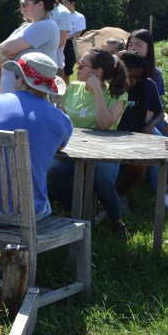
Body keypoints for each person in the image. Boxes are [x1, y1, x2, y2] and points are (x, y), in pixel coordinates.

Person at [0, 52, 73, 220]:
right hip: (23, 215)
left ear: (20, 79)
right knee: (43, 201)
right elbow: (59, 146)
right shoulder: (60, 119)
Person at [47, 48, 130, 236]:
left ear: (97, 71)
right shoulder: (73, 88)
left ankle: (116, 221)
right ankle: (73, 213)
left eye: (82, 64)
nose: (76, 67)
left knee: (102, 181)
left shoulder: (117, 94)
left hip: (104, 152)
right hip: (72, 150)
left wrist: (98, 92)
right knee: (52, 173)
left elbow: (105, 124)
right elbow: (62, 119)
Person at [127, 28, 168, 202]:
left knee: (167, 130)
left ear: (149, 48)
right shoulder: (122, 70)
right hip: (133, 118)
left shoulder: (155, 74)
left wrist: (163, 116)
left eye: (138, 45)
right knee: (158, 138)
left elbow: (157, 106)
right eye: (130, 44)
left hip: (150, 116)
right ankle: (159, 189)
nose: (133, 48)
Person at [115, 49, 165, 199]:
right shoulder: (111, 85)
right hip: (112, 134)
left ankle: (121, 194)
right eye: (130, 77)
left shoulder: (148, 85)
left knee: (140, 165)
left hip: (137, 134)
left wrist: (150, 125)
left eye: (138, 78)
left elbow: (160, 112)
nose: (134, 82)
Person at [0, 0, 60, 93]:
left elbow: (5, 49)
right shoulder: (25, 26)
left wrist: (8, 54)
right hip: (14, 92)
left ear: (40, 4)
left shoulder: (46, 26)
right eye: (21, 2)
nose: (22, 7)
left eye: (25, 3)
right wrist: (8, 53)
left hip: (29, 93)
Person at [40, 0, 71, 73]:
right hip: (35, 61)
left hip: (52, 64)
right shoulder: (39, 8)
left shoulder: (63, 12)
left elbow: (61, 41)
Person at [61, 0, 85, 85]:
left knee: (67, 70)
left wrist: (65, 37)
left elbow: (78, 34)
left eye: (65, 2)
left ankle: (66, 89)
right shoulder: (60, 15)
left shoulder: (79, 17)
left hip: (71, 44)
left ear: (73, 3)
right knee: (57, 68)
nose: (63, 4)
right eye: (63, 2)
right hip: (59, 42)